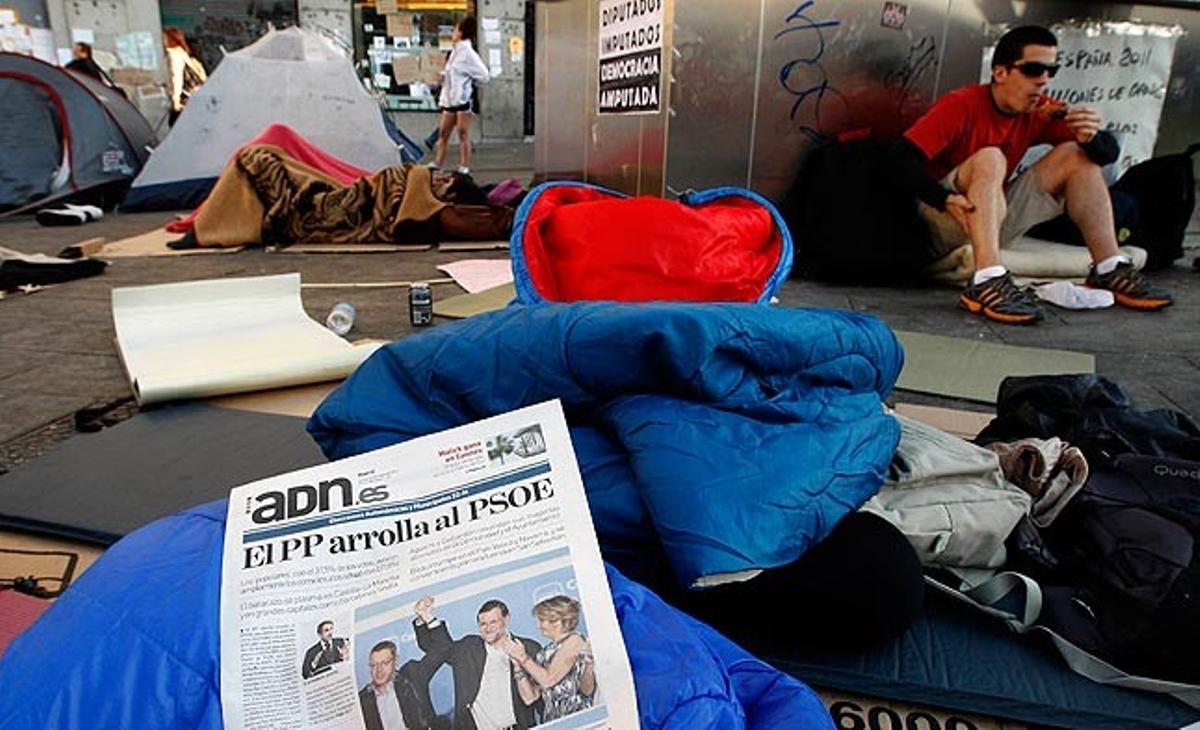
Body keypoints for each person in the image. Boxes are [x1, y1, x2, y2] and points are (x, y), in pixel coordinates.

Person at [886, 24, 1173, 324]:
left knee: (1076, 154)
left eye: (1052, 71)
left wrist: (1091, 137)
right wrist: (944, 199)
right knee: (990, 157)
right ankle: (986, 281)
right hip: (939, 220)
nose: (1044, 81)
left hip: (987, 220)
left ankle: (1108, 267)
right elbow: (896, 160)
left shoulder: (1038, 110)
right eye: (1034, 70)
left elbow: (1106, 155)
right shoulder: (962, 105)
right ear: (1001, 73)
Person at [412, 596, 541, 730]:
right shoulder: (468, 649)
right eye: (483, 624)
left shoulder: (528, 648)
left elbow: (542, 696)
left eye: (493, 622)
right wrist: (426, 619)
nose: (488, 628)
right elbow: (437, 648)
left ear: (506, 619)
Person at [505, 596, 595, 722]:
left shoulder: (574, 640)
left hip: (577, 716)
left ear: (559, 621)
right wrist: (517, 665)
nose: (540, 626)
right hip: (552, 719)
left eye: (543, 620)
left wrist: (523, 657)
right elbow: (530, 697)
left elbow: (548, 680)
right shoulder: (544, 653)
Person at [433, 17, 489, 176]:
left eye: (456, 29)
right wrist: (444, 76)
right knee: (443, 133)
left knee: (463, 134)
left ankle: (464, 166)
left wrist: (469, 82)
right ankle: (437, 163)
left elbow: (484, 76)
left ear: (461, 32)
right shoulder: (455, 51)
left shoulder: (468, 54)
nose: (453, 33)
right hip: (449, 100)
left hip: (462, 100)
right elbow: (453, 72)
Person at [358, 640, 443, 730]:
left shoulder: (412, 675)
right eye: (374, 665)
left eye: (385, 663)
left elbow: (441, 649)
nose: (379, 670)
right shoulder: (363, 699)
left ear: (395, 662)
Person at [163, 27, 207, 126]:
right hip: (195, 98)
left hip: (184, 100)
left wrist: (175, 102)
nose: (163, 42)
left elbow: (176, 77)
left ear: (172, 40)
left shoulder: (173, 54)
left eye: (164, 38)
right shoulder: (183, 53)